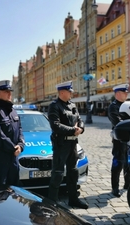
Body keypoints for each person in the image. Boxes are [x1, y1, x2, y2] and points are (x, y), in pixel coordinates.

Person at [47, 81, 88, 209]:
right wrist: (73, 130)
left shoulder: (72, 105)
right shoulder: (54, 106)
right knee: (58, 173)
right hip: (61, 144)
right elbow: (55, 125)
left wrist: (81, 128)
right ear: (62, 92)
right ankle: (51, 202)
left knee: (73, 172)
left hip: (72, 144)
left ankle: (73, 199)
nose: (71, 93)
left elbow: (80, 120)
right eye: (69, 91)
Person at [108, 83, 130, 197]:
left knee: (129, 162)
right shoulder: (113, 106)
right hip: (119, 139)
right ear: (118, 93)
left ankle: (128, 183)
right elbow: (117, 122)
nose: (126, 94)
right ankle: (115, 187)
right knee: (118, 163)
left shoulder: (127, 105)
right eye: (124, 92)